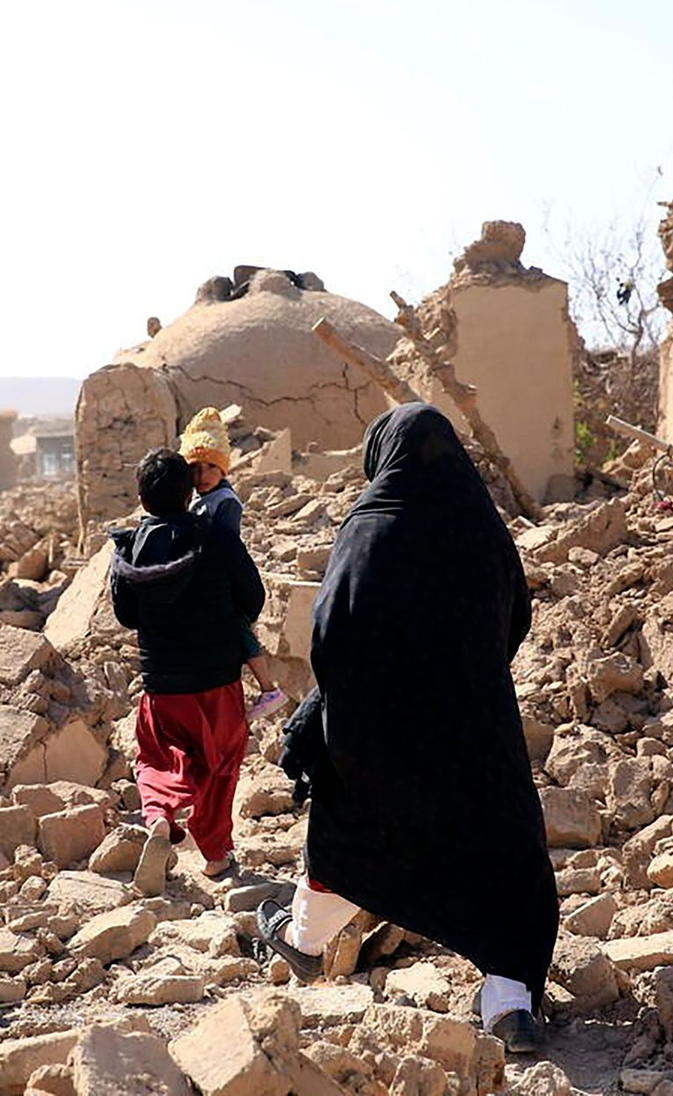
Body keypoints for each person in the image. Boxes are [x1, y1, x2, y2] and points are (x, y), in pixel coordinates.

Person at [255, 404, 558, 1054]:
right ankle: (510, 1003)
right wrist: (467, 672)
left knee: (350, 828)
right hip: (476, 728)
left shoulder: (368, 526)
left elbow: (331, 634)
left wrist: (337, 711)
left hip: (379, 731)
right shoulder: (481, 527)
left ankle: (305, 940)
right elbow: (517, 614)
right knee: (504, 851)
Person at [110, 447, 266, 895]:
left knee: (159, 758)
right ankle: (216, 855)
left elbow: (127, 615)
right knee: (219, 765)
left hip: (162, 683)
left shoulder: (129, 549)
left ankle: (158, 816)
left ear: (143, 500)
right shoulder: (215, 537)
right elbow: (252, 597)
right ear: (188, 493)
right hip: (218, 679)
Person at [179, 406, 286, 721]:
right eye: (195, 467)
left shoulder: (226, 503)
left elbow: (223, 547)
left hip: (225, 582)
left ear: (224, 470)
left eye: (211, 467)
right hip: (213, 581)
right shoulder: (201, 497)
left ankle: (269, 688)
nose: (202, 475)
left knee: (239, 632)